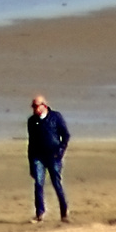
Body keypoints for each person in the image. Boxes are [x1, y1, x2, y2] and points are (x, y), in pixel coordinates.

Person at [26, 94, 71, 222]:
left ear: (44, 106)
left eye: (36, 106)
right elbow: (31, 142)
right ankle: (39, 213)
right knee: (38, 184)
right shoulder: (31, 121)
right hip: (37, 157)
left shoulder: (55, 117)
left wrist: (60, 152)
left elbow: (66, 136)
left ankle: (64, 212)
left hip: (53, 156)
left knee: (57, 184)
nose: (34, 109)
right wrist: (31, 163)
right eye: (33, 106)